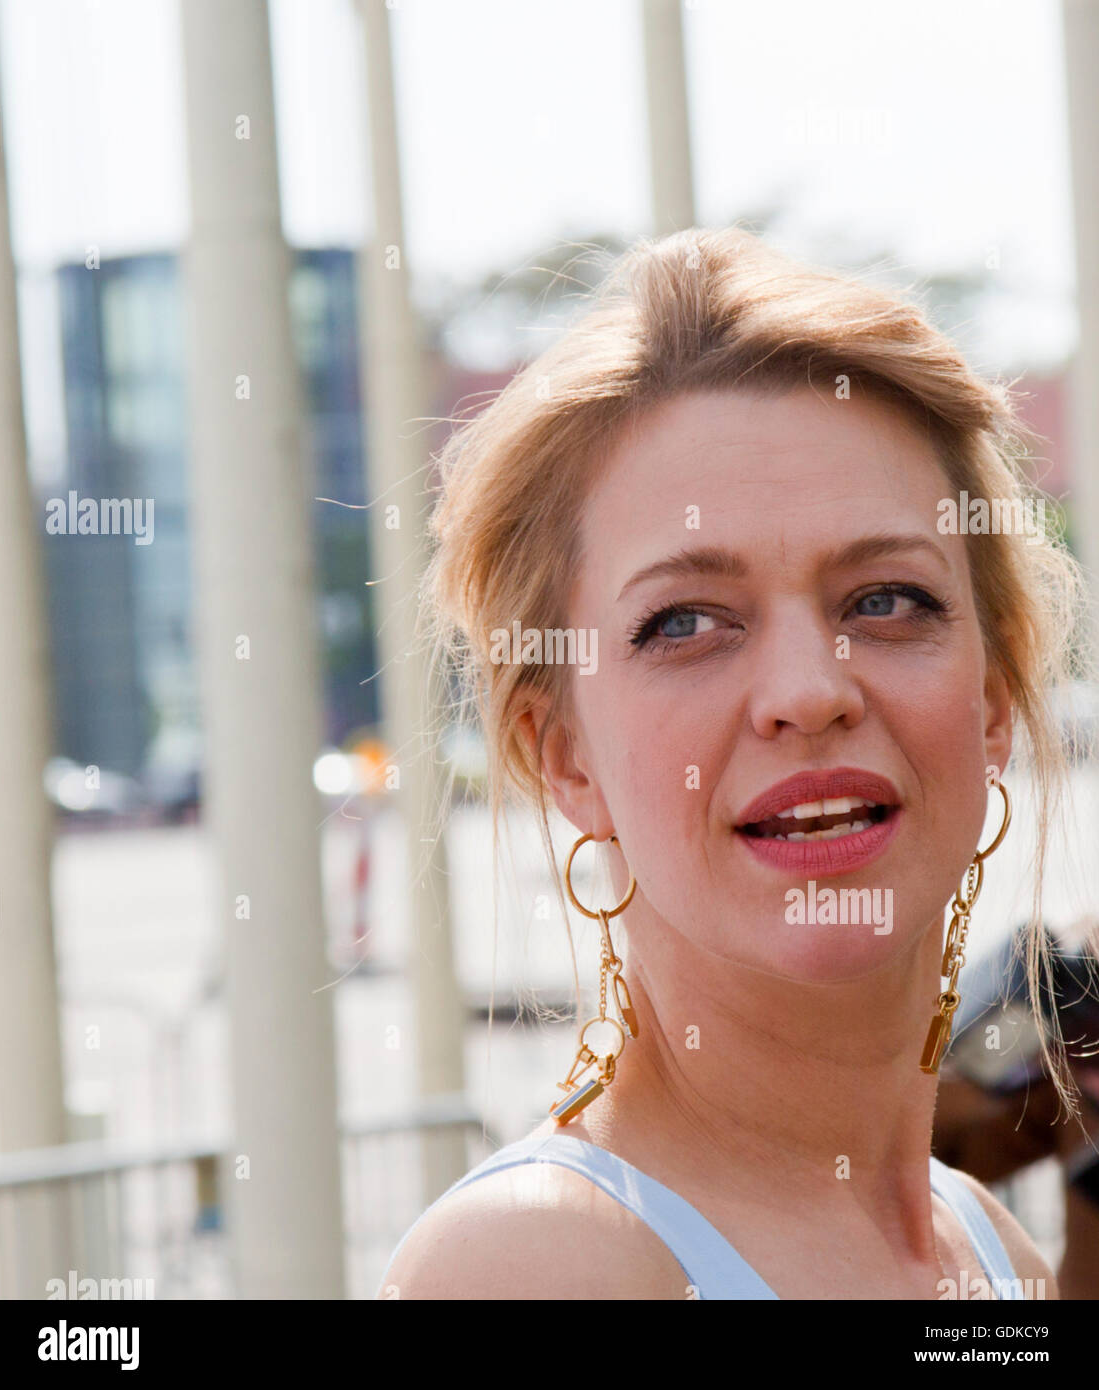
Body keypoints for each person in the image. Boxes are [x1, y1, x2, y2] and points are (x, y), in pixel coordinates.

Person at [377, 224, 1093, 1300]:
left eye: (886, 600)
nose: (811, 690)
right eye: (684, 623)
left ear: (993, 701)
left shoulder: (988, 1254)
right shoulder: (540, 1265)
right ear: (560, 752)